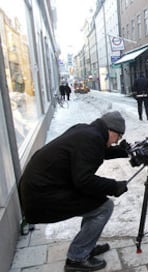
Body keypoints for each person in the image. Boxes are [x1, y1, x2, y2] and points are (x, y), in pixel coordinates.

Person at [18, 111, 129, 272]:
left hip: (42, 186)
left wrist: (123, 151)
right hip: (43, 195)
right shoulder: (92, 139)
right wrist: (114, 186)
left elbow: (97, 152)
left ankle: (85, 247)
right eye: (118, 137)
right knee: (104, 207)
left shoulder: (88, 131)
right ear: (111, 130)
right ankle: (76, 258)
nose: (116, 141)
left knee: (95, 204)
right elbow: (84, 181)